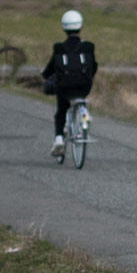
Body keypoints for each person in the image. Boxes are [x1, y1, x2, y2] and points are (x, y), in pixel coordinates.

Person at [42, 9, 98, 160]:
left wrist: (45, 75)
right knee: (80, 98)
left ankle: (59, 138)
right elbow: (94, 66)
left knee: (61, 110)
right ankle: (84, 113)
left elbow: (50, 69)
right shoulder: (89, 47)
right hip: (84, 86)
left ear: (64, 27)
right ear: (80, 26)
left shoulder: (59, 48)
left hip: (64, 87)